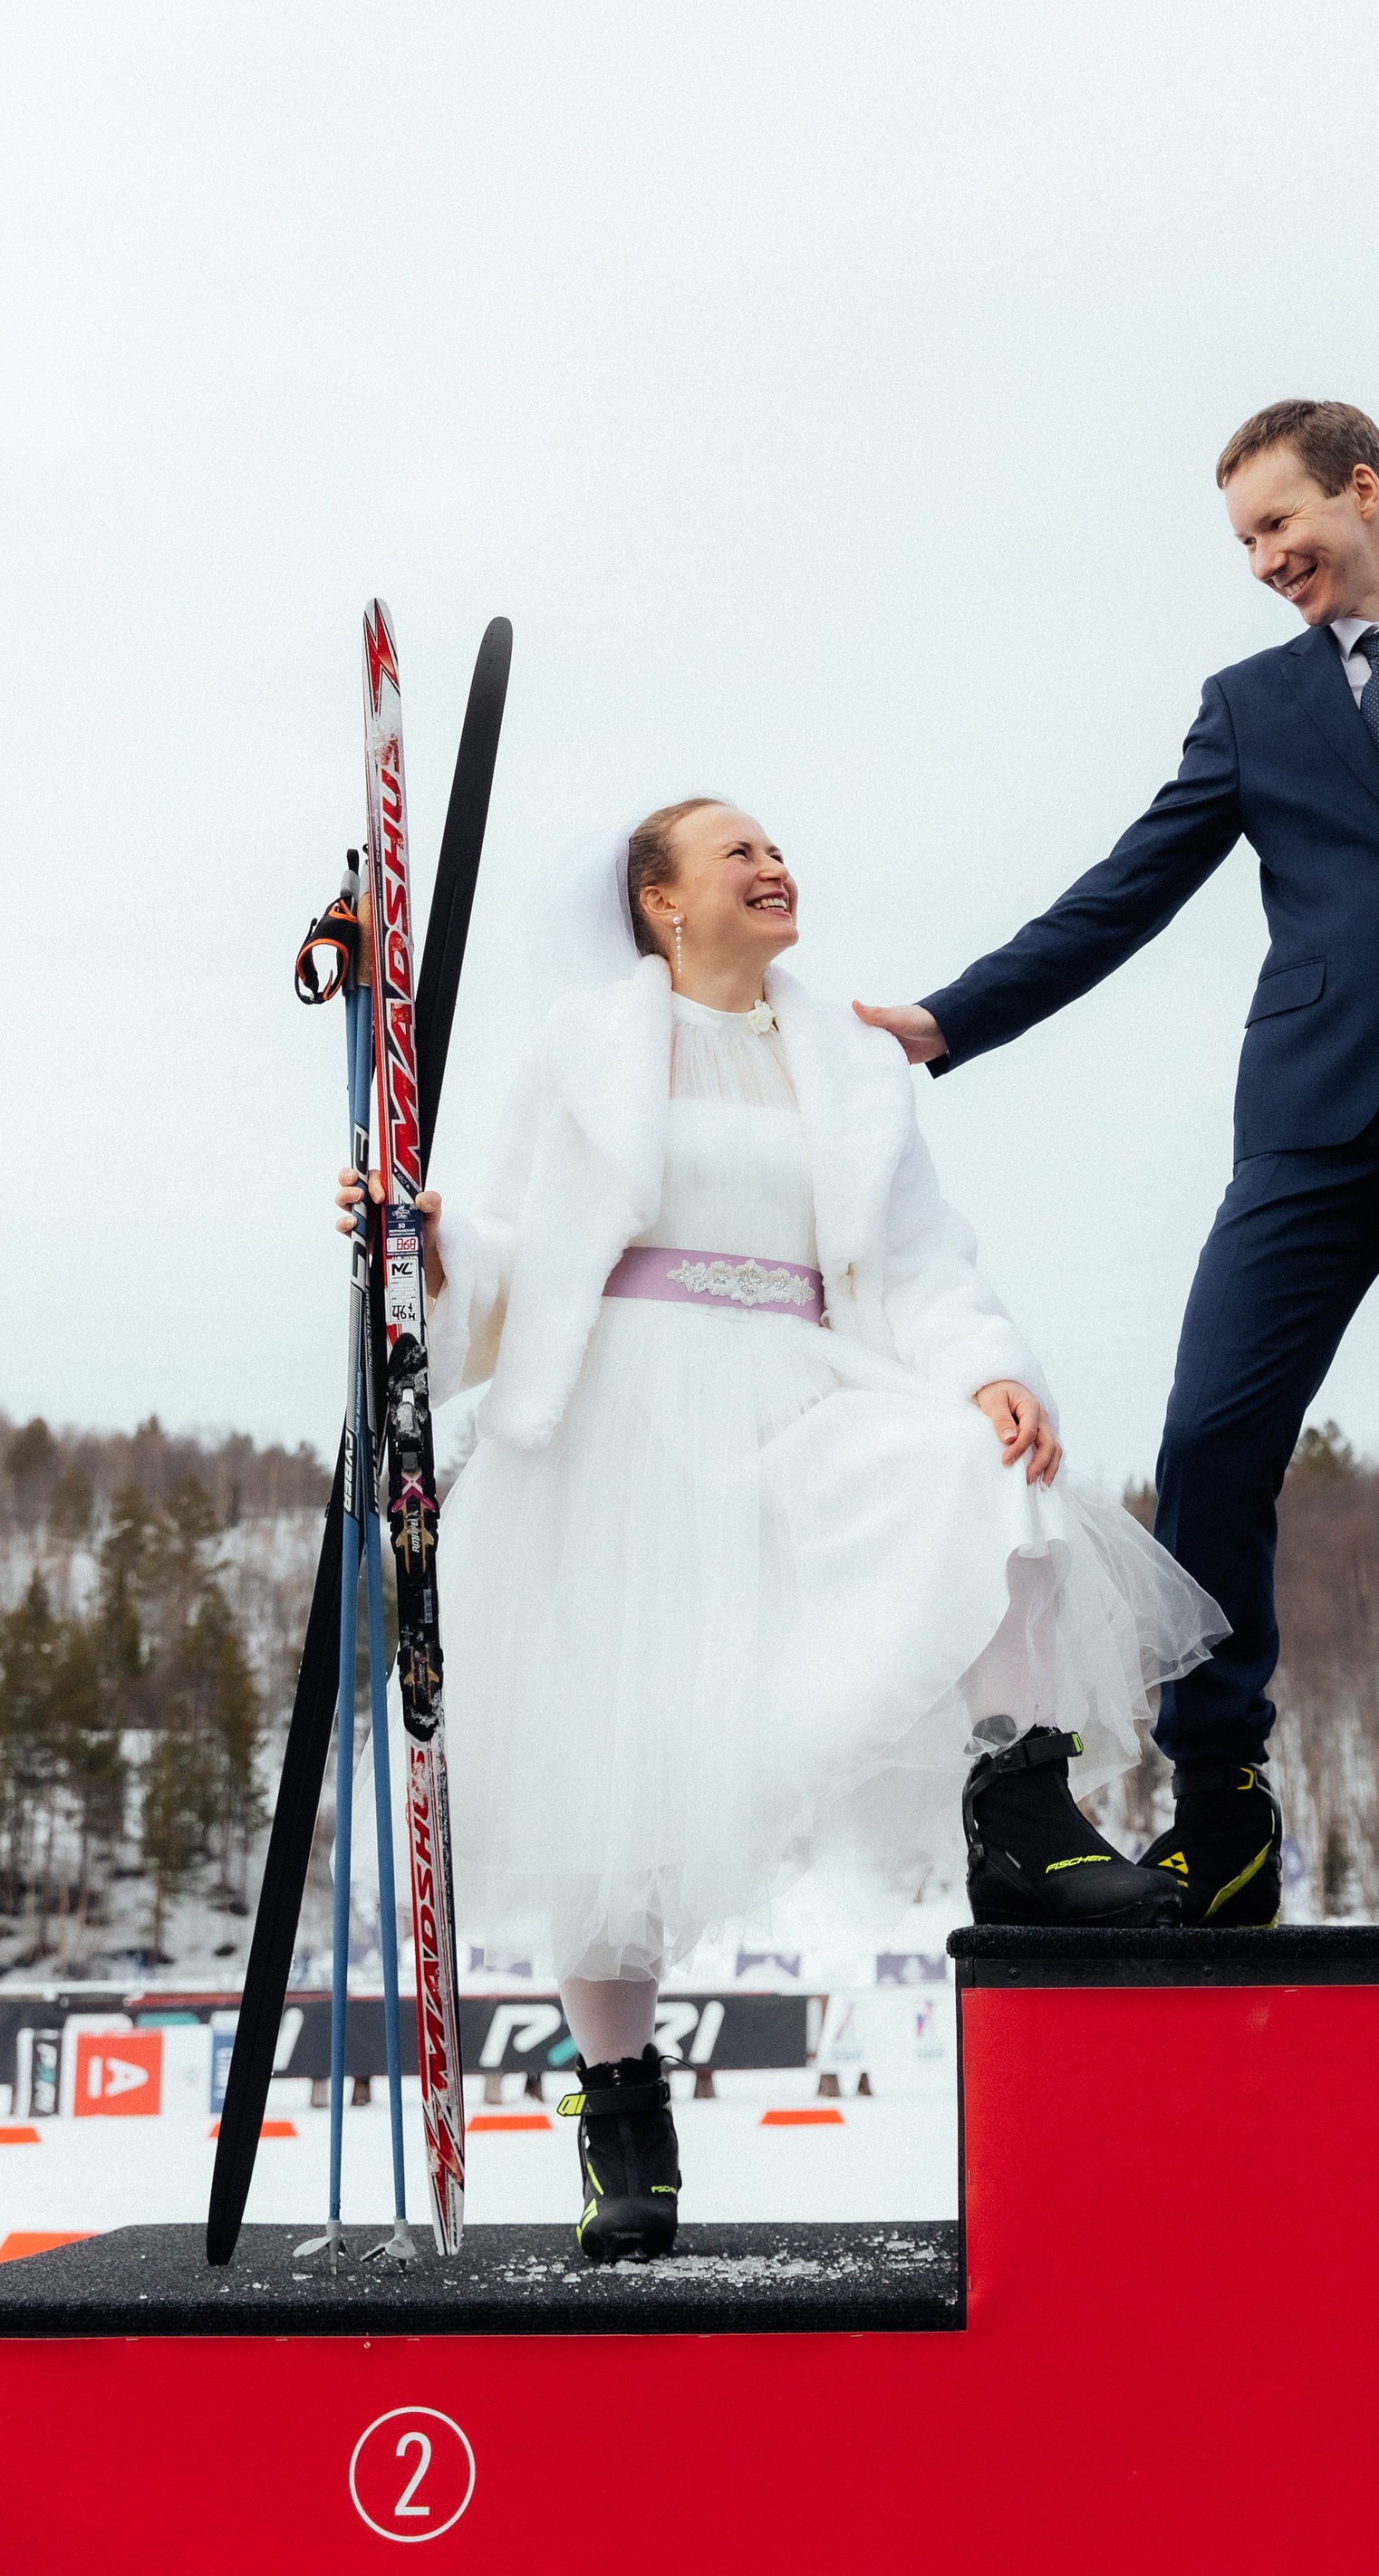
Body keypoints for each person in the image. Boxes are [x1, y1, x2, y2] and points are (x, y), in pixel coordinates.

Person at [339, 799, 1220, 2264]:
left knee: (983, 1470)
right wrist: (419, 1240)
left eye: (775, 843)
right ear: (660, 904)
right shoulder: (585, 1052)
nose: (770, 861)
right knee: (609, 1783)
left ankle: (1024, 1811)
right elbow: (504, 1254)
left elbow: (924, 1261)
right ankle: (621, 2112)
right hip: (625, 1421)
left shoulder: (853, 1064)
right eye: (731, 849)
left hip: (808, 1388)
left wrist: (991, 1368)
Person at [856, 399, 1379, 1930]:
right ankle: (1219, 1796)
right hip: (1311, 1112)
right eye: (1244, 540)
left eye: (1280, 525)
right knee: (1214, 1431)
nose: (1264, 560)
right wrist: (953, 1022)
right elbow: (1129, 889)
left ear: (1364, 491)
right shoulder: (1251, 705)